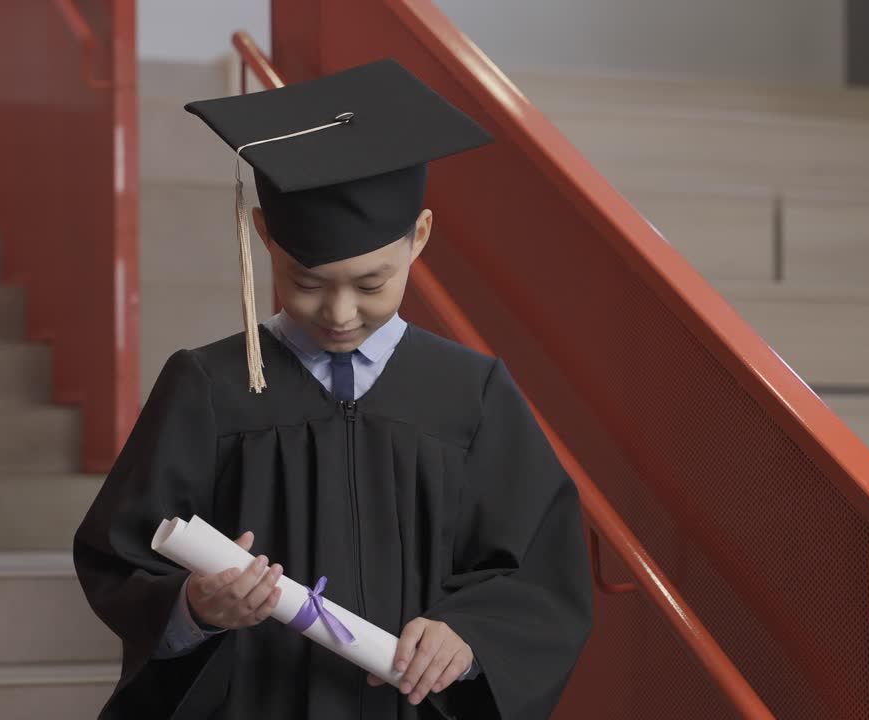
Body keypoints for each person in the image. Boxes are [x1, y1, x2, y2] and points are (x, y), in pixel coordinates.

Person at [73, 58, 593, 720]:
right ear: (264, 237)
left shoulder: (472, 393)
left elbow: (540, 571)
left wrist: (470, 634)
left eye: (371, 284)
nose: (340, 313)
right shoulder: (207, 387)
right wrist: (195, 608)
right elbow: (119, 554)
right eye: (309, 283)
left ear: (419, 239)